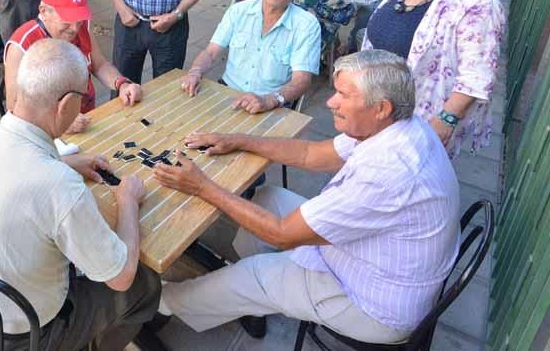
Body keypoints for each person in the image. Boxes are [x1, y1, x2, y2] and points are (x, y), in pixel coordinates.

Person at [156, 50, 460, 344]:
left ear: (381, 107)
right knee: (268, 197)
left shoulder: (387, 171)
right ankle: (248, 296)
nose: (331, 102)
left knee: (258, 273)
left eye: (343, 95)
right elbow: (310, 153)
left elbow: (281, 234)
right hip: (375, 255)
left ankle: (164, 301)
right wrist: (236, 140)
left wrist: (202, 186)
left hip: (372, 305)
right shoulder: (399, 124)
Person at [0, 38, 160, 351]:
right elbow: (121, 276)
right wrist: (127, 199)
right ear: (65, 105)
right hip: (25, 337)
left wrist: (63, 161)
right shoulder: (59, 185)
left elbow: (14, 167)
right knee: (145, 285)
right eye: (85, 95)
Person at [364, 0, 505, 155]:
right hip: (373, 107)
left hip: (417, 124)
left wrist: (446, 120)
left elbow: (477, 75)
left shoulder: (478, 1)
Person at [5, 0, 143, 129]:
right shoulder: (22, 45)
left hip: (89, 119)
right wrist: (59, 122)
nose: (75, 28)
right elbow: (13, 106)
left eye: (79, 19)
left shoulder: (82, 26)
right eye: (67, 21)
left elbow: (100, 65)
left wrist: (122, 84)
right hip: (46, 132)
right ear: (44, 12)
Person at [183, 0, 320, 111]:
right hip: (229, 91)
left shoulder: (306, 25)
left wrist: (270, 100)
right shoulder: (238, 11)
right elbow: (210, 52)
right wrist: (195, 72)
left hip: (271, 101)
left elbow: (301, 80)